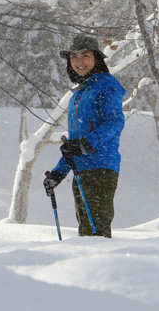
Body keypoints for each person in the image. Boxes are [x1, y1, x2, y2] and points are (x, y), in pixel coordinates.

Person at [43, 34, 125, 238]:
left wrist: (86, 144)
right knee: (86, 232)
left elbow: (115, 123)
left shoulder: (106, 84)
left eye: (85, 55)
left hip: (101, 169)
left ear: (96, 58)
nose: (79, 61)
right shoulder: (79, 93)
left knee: (95, 232)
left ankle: (102, 268)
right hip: (82, 171)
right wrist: (58, 173)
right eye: (74, 57)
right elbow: (75, 143)